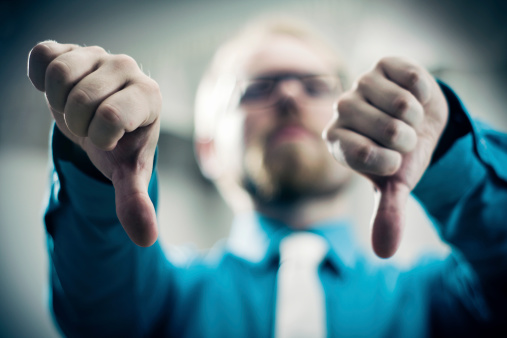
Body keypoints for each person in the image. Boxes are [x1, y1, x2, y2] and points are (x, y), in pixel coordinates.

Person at [27, 17, 506, 337]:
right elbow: (96, 306)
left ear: (362, 125)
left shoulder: (438, 301)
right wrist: (98, 160)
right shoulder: (162, 303)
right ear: (207, 148)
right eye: (257, 88)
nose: (290, 98)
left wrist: (450, 153)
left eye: (316, 85)